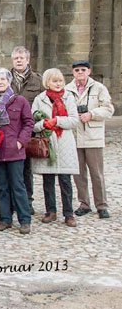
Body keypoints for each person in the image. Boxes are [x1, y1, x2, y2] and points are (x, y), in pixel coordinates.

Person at [31, 68, 80, 227]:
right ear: (47, 82)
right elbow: (32, 122)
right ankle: (50, 210)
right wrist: (43, 124)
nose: (58, 84)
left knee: (65, 180)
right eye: (54, 81)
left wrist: (57, 120)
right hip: (48, 142)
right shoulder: (40, 99)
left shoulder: (68, 97)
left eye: (60, 81)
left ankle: (68, 213)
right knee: (48, 180)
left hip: (64, 142)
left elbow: (74, 120)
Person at [66, 60, 114, 219]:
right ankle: (84, 203)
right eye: (77, 70)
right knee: (78, 174)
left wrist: (91, 114)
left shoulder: (99, 88)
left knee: (97, 173)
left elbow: (108, 109)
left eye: (83, 70)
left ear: (89, 71)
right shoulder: (68, 89)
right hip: (74, 136)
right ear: (73, 72)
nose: (80, 73)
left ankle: (101, 205)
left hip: (93, 136)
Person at [0, 68, 33, 234]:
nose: (0, 82)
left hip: (15, 151)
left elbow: (29, 123)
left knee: (18, 186)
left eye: (3, 79)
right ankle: (5, 218)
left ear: (9, 82)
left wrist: (21, 141)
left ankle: (24, 219)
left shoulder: (20, 101)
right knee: (2, 187)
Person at [10, 46, 44, 215]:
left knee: (26, 169)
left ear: (28, 60)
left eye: (21, 58)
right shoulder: (5, 78)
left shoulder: (38, 80)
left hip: (28, 130)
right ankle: (11, 202)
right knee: (10, 168)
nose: (18, 60)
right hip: (9, 130)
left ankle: (27, 201)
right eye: (16, 58)